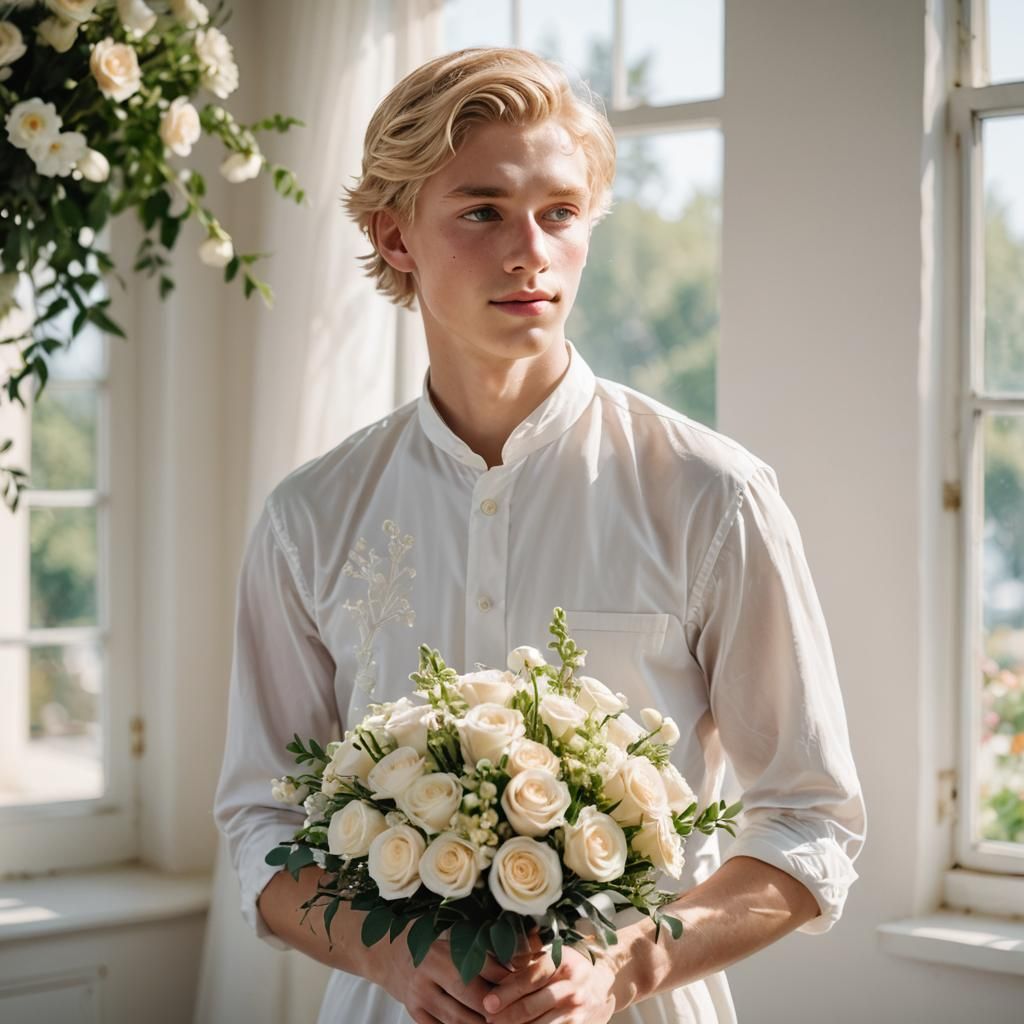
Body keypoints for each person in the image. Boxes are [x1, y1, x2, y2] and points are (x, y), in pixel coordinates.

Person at [213, 46, 866, 1024]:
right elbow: (260, 820)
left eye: (559, 213)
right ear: (395, 237)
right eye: (482, 211)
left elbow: (809, 822)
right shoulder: (310, 516)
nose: (530, 251)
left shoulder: (712, 497)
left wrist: (628, 965)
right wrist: (388, 955)